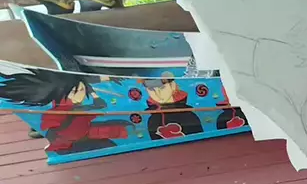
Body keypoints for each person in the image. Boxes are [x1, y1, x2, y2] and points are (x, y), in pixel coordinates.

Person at [0, 69, 132, 154]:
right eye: (79, 91)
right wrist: (94, 102)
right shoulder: (65, 109)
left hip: (80, 135)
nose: (82, 94)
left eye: (82, 90)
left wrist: (107, 79)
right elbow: (82, 121)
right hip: (69, 145)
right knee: (109, 140)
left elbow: (83, 81)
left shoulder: (69, 99)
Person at [141, 73, 204, 140]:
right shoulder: (153, 119)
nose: (157, 91)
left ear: (173, 86)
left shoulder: (188, 115)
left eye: (162, 87)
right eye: (151, 89)